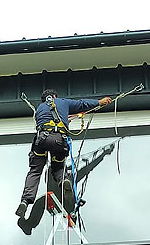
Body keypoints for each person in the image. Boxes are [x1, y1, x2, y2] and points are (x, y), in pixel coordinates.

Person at [15, 89, 112, 219]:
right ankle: (63, 181)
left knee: (35, 171)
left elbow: (46, 119)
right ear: (55, 96)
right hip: (59, 141)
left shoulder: (39, 108)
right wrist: (99, 102)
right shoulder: (63, 102)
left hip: (41, 140)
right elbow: (82, 104)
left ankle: (25, 201)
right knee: (58, 167)